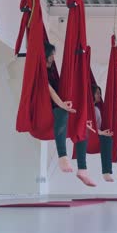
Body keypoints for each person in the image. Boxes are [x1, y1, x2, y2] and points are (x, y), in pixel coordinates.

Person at [45, 43, 76, 173]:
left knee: (74, 112)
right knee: (63, 113)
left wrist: (65, 103)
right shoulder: (39, 70)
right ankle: (62, 156)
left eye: (53, 54)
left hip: (55, 103)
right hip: (45, 106)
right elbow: (50, 91)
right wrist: (62, 105)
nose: (53, 57)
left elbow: (56, 91)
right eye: (51, 54)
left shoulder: (51, 70)